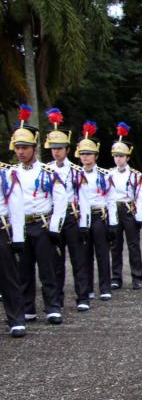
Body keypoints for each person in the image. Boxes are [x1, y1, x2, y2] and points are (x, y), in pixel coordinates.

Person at [11, 105, 67, 324]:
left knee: (47, 268)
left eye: (25, 147)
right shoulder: (10, 172)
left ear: (34, 148)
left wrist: (54, 227)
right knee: (22, 270)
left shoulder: (48, 172)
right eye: (17, 147)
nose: (20, 152)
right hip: (21, 227)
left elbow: (60, 200)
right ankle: (28, 309)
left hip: (42, 225)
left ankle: (52, 307)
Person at [44, 108, 91, 311]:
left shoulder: (76, 171)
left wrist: (84, 224)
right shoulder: (45, 170)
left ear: (67, 150)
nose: (56, 151)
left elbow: (84, 198)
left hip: (72, 217)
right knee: (55, 262)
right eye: (53, 148)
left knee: (78, 259)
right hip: (53, 219)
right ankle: (57, 299)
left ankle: (82, 297)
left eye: (60, 148)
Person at [75, 121, 117, 302]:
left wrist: (113, 223)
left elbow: (111, 199)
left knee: (101, 252)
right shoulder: (75, 175)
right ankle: (88, 288)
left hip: (99, 216)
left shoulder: (104, 175)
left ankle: (105, 287)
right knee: (84, 255)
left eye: (88, 154)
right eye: (82, 154)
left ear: (96, 155)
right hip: (82, 217)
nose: (85, 157)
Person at [108, 123, 142, 291]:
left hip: (129, 210)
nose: (118, 159)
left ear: (127, 157)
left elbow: (140, 197)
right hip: (114, 210)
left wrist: (138, 217)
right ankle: (116, 277)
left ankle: (137, 277)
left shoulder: (136, 175)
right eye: (116, 156)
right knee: (115, 246)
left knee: (133, 245)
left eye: (121, 156)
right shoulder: (109, 174)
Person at [0, 161, 26, 337]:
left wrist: (18, 237)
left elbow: (16, 207)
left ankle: (16, 319)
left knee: (7, 275)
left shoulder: (6, 173)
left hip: (0, 229)